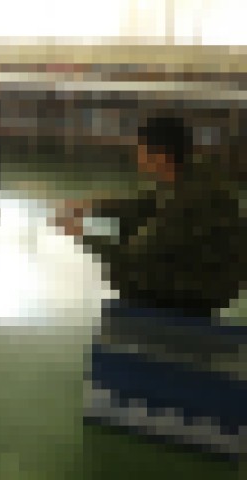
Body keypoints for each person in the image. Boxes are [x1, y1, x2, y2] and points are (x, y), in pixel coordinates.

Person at [54, 115, 247, 457]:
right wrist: (91, 206)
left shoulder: (189, 199)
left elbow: (131, 256)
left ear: (160, 156)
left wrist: (79, 234)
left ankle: (165, 319)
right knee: (130, 228)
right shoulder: (191, 173)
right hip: (207, 268)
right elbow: (144, 204)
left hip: (205, 284)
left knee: (127, 272)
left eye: (141, 150)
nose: (137, 156)